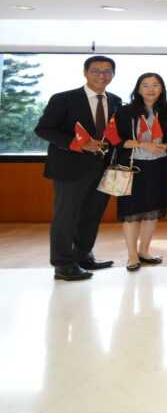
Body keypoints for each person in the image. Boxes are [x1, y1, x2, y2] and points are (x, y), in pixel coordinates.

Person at [35, 55, 122, 281]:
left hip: (103, 167)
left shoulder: (115, 100)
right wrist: (78, 143)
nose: (102, 76)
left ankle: (83, 256)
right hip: (69, 168)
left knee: (91, 215)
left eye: (107, 72)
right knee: (66, 217)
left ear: (113, 75)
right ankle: (63, 265)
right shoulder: (64, 99)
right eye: (96, 71)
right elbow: (44, 129)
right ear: (85, 73)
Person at [111, 73, 167, 271]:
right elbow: (114, 139)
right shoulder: (125, 111)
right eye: (145, 85)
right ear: (138, 89)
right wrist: (143, 144)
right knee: (131, 212)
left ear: (162, 88)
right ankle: (132, 255)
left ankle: (145, 251)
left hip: (160, 167)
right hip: (132, 167)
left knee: (152, 212)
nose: (150, 89)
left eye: (155, 85)